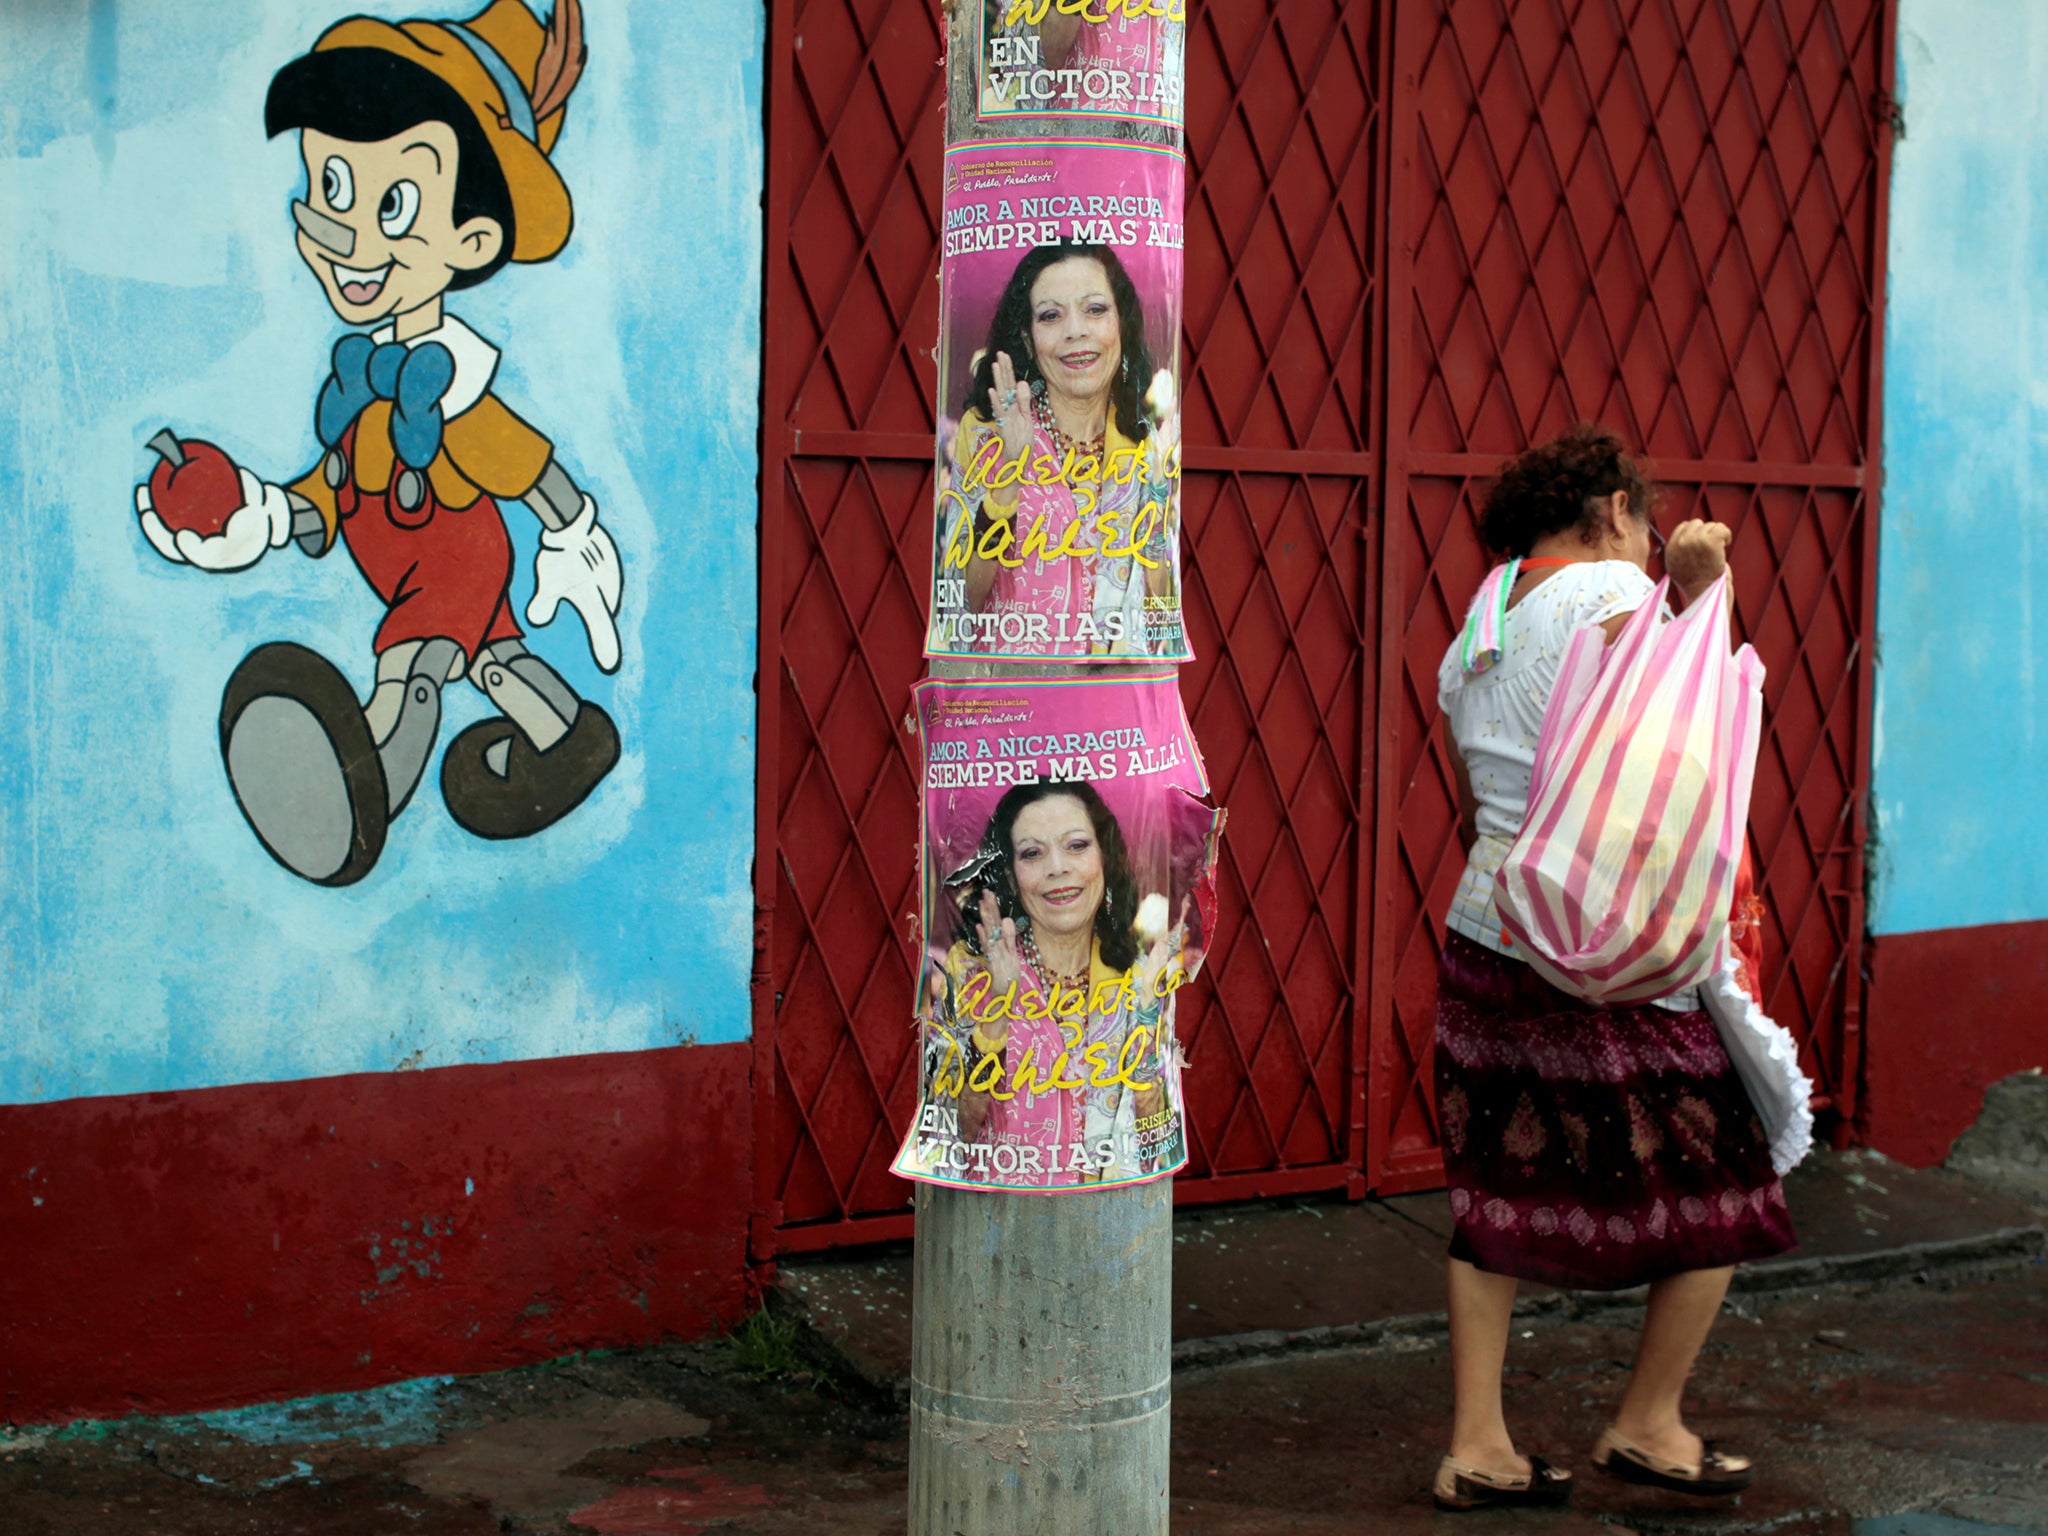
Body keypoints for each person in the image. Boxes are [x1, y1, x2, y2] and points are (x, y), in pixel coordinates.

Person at [133, 0, 622, 887]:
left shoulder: (452, 389)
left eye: (393, 201)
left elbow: (526, 465)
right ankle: (566, 736)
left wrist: (572, 533)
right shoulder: (360, 381)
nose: (343, 230)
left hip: (453, 560)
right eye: (331, 187)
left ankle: (361, 796)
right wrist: (265, 513)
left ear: (471, 239)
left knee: (418, 668)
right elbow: (333, 490)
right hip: (396, 558)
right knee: (493, 660)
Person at [1430, 425, 1796, 1509]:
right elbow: (1672, 765)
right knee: (1727, 1168)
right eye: (1638, 517)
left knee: (1491, 1177)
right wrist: (1696, 591)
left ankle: (1477, 1444)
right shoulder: (1610, 597)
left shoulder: (1478, 628)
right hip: (1601, 935)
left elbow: (1472, 799)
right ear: (1609, 510)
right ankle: (1646, 1420)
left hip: (1487, 915)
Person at [921, 781, 1184, 1186]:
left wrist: (1147, 1017)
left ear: (1104, 857)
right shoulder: (970, 973)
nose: (1057, 867)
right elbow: (950, 1139)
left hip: (1114, 1225)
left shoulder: (1140, 976)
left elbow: (1155, 1144)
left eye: (1076, 846)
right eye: (1032, 853)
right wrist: (995, 1011)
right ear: (1011, 874)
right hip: (1000, 1228)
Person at [940, 241, 1178, 657]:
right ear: (1028, 341)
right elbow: (962, 607)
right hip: (1012, 705)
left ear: (1121, 325)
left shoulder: (1147, 447)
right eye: (1051, 315)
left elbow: (1160, 623)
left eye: (1095, 310)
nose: (1075, 331)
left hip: (1109, 706)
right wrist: (1009, 474)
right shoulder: (985, 435)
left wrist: (1157, 508)